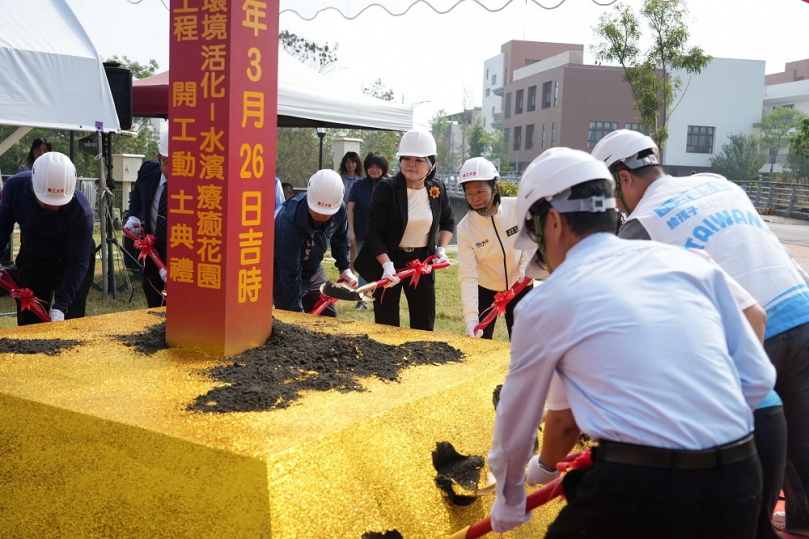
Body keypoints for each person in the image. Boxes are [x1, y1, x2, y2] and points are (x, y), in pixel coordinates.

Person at [488, 148, 775, 538]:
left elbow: (517, 420)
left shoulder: (548, 301)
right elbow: (757, 378)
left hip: (640, 490)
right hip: (740, 478)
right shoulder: (690, 263)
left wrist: (508, 502)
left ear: (552, 221)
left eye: (537, 235)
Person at [592, 129, 809, 537]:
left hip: (752, 328)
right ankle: (802, 518)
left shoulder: (641, 225)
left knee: (740, 450)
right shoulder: (716, 182)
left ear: (623, 179)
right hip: (803, 309)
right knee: (801, 432)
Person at [354, 128, 455, 331]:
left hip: (421, 260)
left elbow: (448, 221)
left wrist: (441, 249)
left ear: (431, 163)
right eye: (406, 158)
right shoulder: (386, 188)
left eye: (419, 160)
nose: (411, 164)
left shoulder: (437, 189)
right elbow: (373, 233)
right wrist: (386, 265)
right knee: (387, 323)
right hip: (389, 260)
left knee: (424, 322)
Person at [0, 152, 95, 325]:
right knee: (30, 321)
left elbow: (78, 262)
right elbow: (2, 228)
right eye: (46, 201)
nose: (53, 206)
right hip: (33, 256)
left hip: (70, 261)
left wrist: (61, 306)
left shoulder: (81, 211)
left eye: (59, 203)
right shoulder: (15, 188)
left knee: (70, 321)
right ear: (32, 185)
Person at [456, 157, 533, 340]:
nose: (475, 199)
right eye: (469, 193)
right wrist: (471, 318)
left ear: (494, 187)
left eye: (481, 191)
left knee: (525, 345)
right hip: (486, 290)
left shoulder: (517, 207)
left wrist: (526, 264)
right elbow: (467, 275)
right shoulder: (465, 228)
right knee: (479, 346)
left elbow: (531, 237)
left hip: (520, 285)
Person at [273, 169, 356, 317]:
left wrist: (344, 268)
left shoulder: (339, 209)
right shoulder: (289, 221)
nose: (321, 216)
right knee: (289, 321)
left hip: (314, 269)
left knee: (328, 319)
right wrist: (294, 314)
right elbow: (290, 273)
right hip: (284, 273)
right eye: (317, 212)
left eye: (326, 214)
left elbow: (341, 237)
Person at [124, 130, 169, 308]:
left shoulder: (194, 183)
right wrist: (134, 216)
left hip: (182, 258)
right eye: (166, 162)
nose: (172, 168)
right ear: (158, 157)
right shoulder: (148, 172)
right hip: (153, 256)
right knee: (154, 305)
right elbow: (137, 196)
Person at [348, 152, 389, 311]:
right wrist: (351, 231)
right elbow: (350, 209)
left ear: (383, 168)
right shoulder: (358, 186)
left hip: (383, 236)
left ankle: (381, 298)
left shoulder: (389, 185)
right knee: (364, 266)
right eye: (370, 166)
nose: (374, 170)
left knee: (383, 267)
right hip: (361, 233)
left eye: (378, 167)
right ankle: (362, 300)